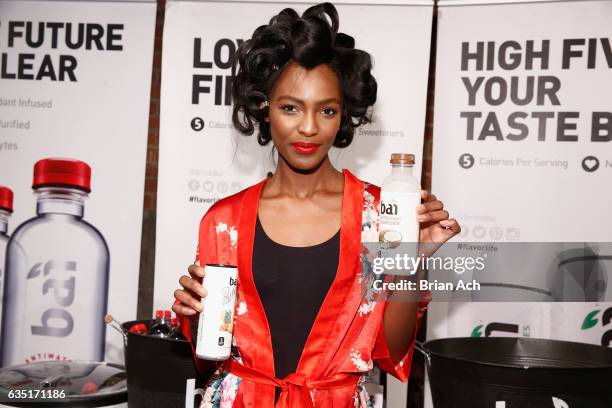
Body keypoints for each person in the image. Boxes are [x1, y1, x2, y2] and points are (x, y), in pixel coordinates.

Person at [172, 3, 460, 407]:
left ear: (343, 116)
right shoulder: (224, 220)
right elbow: (207, 357)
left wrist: (411, 259)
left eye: (326, 110)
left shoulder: (379, 214)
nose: (308, 127)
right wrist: (194, 317)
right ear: (263, 107)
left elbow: (388, 351)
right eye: (290, 107)